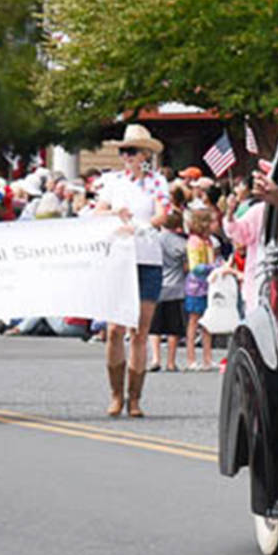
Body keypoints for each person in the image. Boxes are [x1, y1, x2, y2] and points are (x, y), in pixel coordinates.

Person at [89, 123, 171, 417]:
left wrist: (146, 225)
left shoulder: (157, 182)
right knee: (114, 330)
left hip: (147, 257)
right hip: (119, 259)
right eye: (124, 151)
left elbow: (163, 212)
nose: (126, 156)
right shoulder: (113, 183)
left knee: (140, 330)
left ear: (144, 155)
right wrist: (115, 214)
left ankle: (135, 397)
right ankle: (115, 394)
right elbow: (97, 211)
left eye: (131, 151)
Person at [152, 207, 189, 372]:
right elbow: (187, 265)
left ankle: (155, 358)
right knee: (173, 328)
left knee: (154, 327)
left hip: (157, 285)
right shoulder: (182, 243)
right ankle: (171, 362)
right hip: (176, 287)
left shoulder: (154, 239)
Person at [184, 206, 217, 371]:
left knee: (207, 322)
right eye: (213, 221)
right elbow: (195, 267)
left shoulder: (208, 241)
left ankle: (207, 357)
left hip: (208, 285)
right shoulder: (195, 241)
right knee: (194, 321)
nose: (216, 224)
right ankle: (191, 358)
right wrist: (213, 268)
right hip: (196, 286)